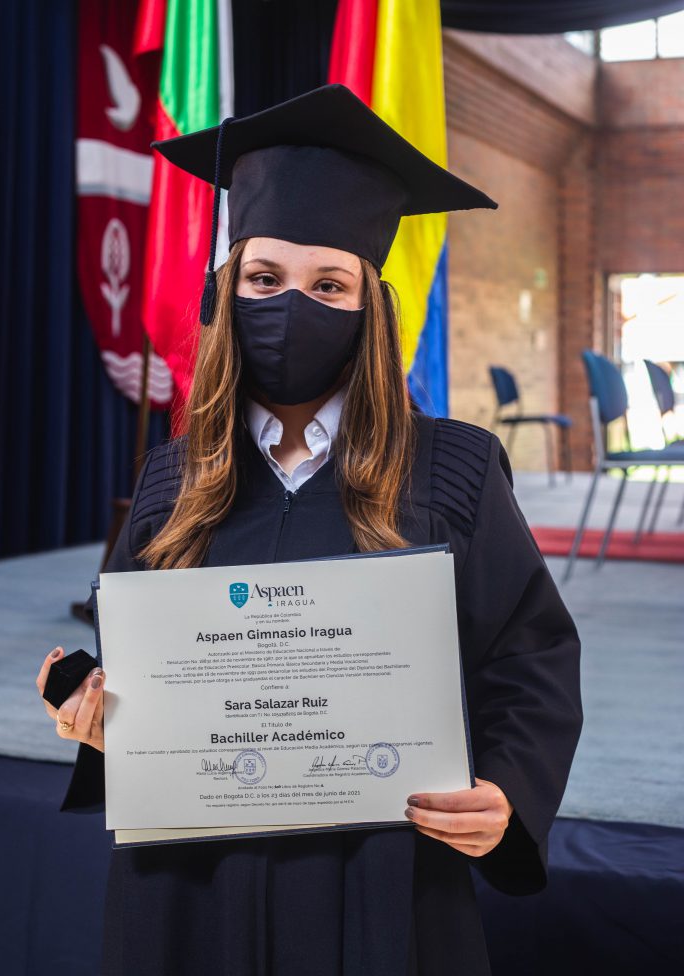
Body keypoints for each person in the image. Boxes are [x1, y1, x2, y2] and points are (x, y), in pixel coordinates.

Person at [35, 84, 582, 976]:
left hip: (384, 877)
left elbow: (531, 656)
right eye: (264, 280)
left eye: (329, 284)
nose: (292, 306)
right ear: (227, 292)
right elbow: (139, 672)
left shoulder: (452, 470)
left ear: (371, 305)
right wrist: (92, 709)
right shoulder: (173, 480)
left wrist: (508, 793)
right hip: (190, 889)